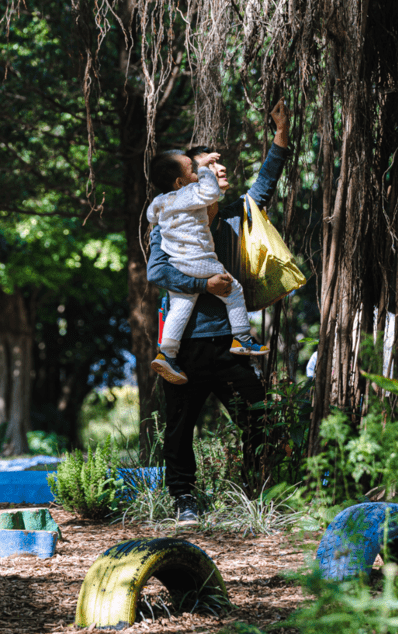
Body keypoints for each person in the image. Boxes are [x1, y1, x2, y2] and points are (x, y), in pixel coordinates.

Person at [146, 98, 290, 524]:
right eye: (201, 172)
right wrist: (203, 284)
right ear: (184, 184)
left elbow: (267, 180)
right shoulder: (169, 224)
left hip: (230, 347)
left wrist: (281, 132)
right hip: (185, 347)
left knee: (256, 417)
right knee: (179, 430)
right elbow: (157, 271)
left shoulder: (234, 217)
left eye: (213, 173)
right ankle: (184, 500)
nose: (211, 176)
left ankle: (259, 495)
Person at [147, 150, 268, 386]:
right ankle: (242, 338)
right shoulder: (190, 193)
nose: (201, 172)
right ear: (181, 182)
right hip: (200, 260)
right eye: (194, 170)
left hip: (178, 263)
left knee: (180, 305)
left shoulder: (160, 202)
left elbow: (152, 215)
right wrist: (204, 167)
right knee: (233, 290)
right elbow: (210, 192)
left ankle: (167, 353)